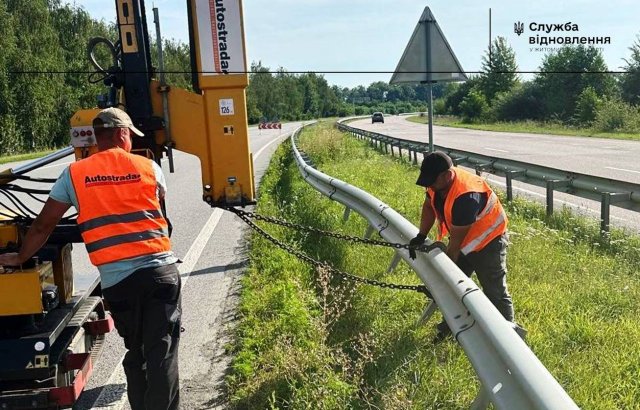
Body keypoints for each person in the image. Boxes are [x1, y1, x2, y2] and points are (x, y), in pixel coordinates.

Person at [0, 108, 181, 410]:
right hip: (160, 273)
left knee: (136, 351)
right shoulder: (149, 167)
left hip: (119, 284)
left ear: (96, 137)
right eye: (130, 137)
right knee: (161, 354)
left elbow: (44, 226)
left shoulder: (75, 173)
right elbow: (161, 217)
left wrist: (19, 256)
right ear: (123, 134)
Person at [408, 151, 516, 341]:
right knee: (452, 287)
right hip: (465, 239)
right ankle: (451, 326)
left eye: (432, 182)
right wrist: (421, 235)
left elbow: (455, 247)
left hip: (488, 242)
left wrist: (445, 271)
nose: (429, 186)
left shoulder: (466, 196)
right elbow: (428, 206)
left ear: (447, 174)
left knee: (494, 291)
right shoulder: (437, 184)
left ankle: (509, 340)